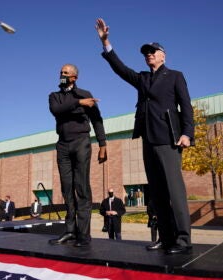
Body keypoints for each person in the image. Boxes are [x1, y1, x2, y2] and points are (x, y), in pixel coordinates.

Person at [95, 18, 194, 254]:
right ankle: (166, 237)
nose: (148, 55)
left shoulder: (175, 76)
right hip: (148, 139)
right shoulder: (143, 78)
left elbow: (186, 106)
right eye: (146, 53)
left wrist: (187, 133)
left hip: (169, 139)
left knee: (174, 191)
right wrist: (106, 42)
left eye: (153, 51)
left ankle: (183, 239)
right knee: (157, 193)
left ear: (163, 55)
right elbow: (121, 69)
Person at [48, 63, 107, 247]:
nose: (62, 74)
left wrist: (103, 143)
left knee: (81, 187)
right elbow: (56, 110)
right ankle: (70, 231)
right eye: (60, 72)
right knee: (67, 189)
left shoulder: (85, 93)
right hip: (63, 145)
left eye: (66, 73)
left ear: (74, 77)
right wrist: (79, 103)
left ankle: (83, 234)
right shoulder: (55, 96)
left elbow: (97, 120)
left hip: (81, 142)